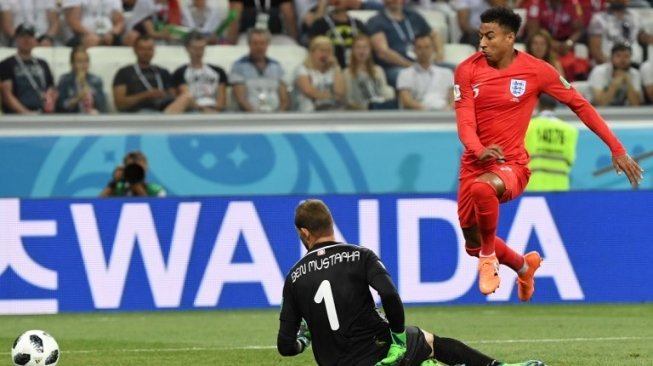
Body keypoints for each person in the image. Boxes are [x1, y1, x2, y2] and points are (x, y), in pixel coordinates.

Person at [453, 7, 642, 299]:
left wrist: (616, 148)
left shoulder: (536, 70)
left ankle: (489, 260)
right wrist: (478, 150)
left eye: (490, 37)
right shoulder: (467, 69)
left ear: (509, 37)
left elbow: (580, 104)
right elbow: (465, 122)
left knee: (482, 192)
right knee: (471, 241)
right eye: (480, 37)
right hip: (474, 162)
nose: (483, 44)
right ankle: (523, 266)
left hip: (511, 164)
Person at [277, 199, 547, 366]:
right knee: (427, 341)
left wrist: (305, 339)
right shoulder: (359, 254)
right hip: (378, 354)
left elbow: (285, 346)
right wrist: (397, 338)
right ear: (330, 224)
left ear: (304, 232)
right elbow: (389, 295)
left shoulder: (294, 277)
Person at [366, 0, 445, 87]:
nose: (394, 1)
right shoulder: (376, 21)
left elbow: (434, 34)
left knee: (456, 71)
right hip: (396, 67)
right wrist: (410, 66)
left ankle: (456, 99)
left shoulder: (414, 16)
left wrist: (439, 53)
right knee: (411, 78)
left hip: (423, 62)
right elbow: (383, 52)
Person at [112, 34, 193, 113]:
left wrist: (164, 95)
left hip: (165, 109)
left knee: (188, 104)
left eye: (149, 49)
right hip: (140, 112)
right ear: (135, 50)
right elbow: (119, 104)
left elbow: (173, 96)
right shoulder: (124, 73)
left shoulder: (163, 72)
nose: (146, 53)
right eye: (142, 49)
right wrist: (146, 95)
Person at [524, 94, 579, 192]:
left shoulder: (529, 126)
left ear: (537, 104)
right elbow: (570, 158)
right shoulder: (570, 130)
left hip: (535, 185)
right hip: (561, 186)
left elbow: (521, 156)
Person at [0, 24, 56, 114]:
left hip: (43, 113)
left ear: (35, 40)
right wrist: (27, 114)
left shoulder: (43, 63)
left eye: (30, 36)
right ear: (16, 39)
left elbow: (51, 88)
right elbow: (6, 95)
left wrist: (50, 102)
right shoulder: (6, 64)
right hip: (17, 116)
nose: (26, 40)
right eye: (22, 36)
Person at [230, 28, 290, 112]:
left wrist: (278, 116)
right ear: (249, 44)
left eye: (262, 43)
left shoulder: (277, 67)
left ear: (268, 44)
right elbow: (241, 99)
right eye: (255, 43)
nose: (259, 47)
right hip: (248, 118)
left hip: (275, 117)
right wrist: (257, 118)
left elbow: (284, 99)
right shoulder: (238, 66)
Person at [172, 31, 229, 113]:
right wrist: (202, 110)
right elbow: (186, 97)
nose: (199, 52)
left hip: (214, 109)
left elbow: (222, 99)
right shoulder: (180, 72)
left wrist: (215, 110)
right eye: (195, 48)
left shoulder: (218, 71)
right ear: (187, 49)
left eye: (201, 48)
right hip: (192, 111)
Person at [397, 32, 454, 111]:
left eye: (427, 47)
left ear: (433, 49)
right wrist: (428, 109)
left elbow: (455, 99)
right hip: (418, 116)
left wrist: (447, 110)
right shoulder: (404, 74)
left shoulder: (447, 73)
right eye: (419, 48)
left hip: (444, 114)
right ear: (414, 50)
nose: (423, 51)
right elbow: (406, 101)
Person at [293, 36, 346, 112]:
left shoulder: (333, 70)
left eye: (328, 51)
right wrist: (332, 97)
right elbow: (309, 91)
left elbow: (340, 92)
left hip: (332, 113)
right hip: (308, 113)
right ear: (312, 52)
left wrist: (336, 67)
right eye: (321, 50)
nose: (325, 54)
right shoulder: (302, 69)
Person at [309, 0, 367, 68]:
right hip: (330, 68)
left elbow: (366, 48)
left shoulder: (358, 24)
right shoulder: (320, 24)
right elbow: (313, 48)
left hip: (355, 69)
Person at [343, 34, 395, 110]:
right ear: (353, 50)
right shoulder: (347, 73)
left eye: (365, 47)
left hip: (380, 108)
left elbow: (384, 91)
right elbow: (348, 100)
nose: (362, 51)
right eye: (358, 47)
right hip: (360, 111)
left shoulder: (378, 70)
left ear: (370, 50)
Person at [56, 47, 109, 114]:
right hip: (72, 119)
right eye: (80, 61)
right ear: (72, 64)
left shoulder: (96, 80)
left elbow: (103, 106)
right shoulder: (65, 80)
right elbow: (60, 106)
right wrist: (77, 99)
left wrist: (84, 83)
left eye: (86, 61)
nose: (84, 65)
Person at [587, 42, 642, 106]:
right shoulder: (599, 72)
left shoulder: (634, 74)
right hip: (593, 111)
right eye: (618, 56)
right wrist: (615, 83)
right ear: (611, 58)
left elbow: (636, 104)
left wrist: (628, 81)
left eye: (626, 56)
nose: (622, 60)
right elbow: (600, 104)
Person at [100, 150, 166, 197]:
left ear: (146, 168)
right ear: (125, 169)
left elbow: (151, 210)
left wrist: (135, 185)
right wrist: (114, 182)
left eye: (138, 168)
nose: (135, 171)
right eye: (131, 168)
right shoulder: (119, 189)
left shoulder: (156, 190)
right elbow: (99, 205)